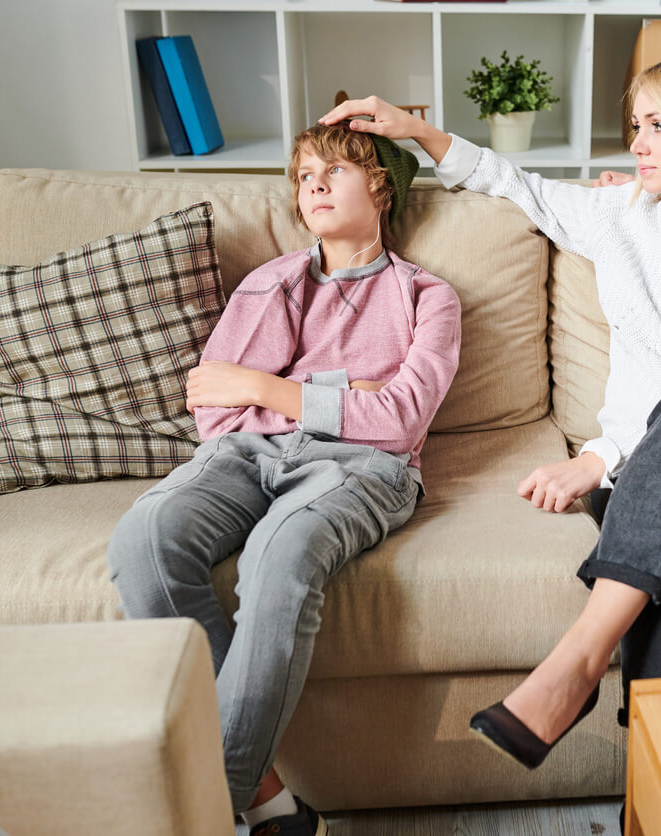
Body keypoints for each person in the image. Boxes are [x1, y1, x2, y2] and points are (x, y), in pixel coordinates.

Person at [320, 48, 661, 769]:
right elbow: (515, 184)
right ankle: (657, 781)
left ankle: (576, 660)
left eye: (658, 127)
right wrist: (419, 133)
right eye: (636, 124)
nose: (636, 144)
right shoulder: (622, 213)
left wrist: (600, 457)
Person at [106, 123, 461, 836]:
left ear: (383, 187)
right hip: (244, 454)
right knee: (145, 537)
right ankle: (266, 798)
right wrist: (342, 388)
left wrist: (271, 386)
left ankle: (207, 806)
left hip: (365, 466)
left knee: (281, 551)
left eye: (336, 170)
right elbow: (213, 403)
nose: (317, 185)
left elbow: (397, 420)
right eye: (305, 177)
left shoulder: (429, 297)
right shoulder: (271, 283)